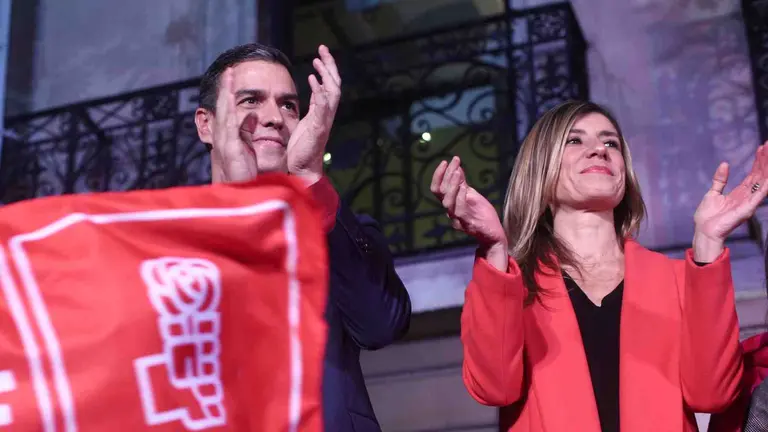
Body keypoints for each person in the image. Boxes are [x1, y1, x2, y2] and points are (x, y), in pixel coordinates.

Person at [431, 100, 768, 431]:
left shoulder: (678, 278)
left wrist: (709, 240)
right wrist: (494, 249)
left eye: (611, 143)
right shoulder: (509, 282)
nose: (599, 150)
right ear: (540, 170)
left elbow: (711, 395)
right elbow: (494, 387)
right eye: (575, 140)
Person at [194, 42, 411, 432]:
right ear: (206, 124)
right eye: (250, 100)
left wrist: (311, 177)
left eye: (289, 105)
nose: (274, 118)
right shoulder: (165, 241)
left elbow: (380, 326)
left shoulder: (336, 231)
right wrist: (239, 205)